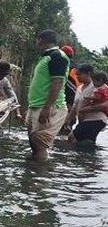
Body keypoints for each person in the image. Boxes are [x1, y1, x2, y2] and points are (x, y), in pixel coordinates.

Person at [26, 29, 69, 160]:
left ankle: (39, 177)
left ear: (40, 40)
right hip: (36, 106)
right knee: (34, 143)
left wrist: (47, 107)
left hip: (50, 107)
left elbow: (57, 83)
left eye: (37, 40)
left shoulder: (57, 56)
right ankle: (32, 176)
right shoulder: (45, 57)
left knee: (39, 144)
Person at [69, 70, 108, 143]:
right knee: (86, 140)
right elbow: (75, 105)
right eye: (76, 75)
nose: (77, 77)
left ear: (88, 74)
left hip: (96, 119)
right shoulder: (80, 88)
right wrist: (68, 120)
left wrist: (92, 103)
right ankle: (84, 153)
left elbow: (100, 99)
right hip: (86, 119)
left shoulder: (101, 87)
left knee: (73, 137)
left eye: (80, 74)